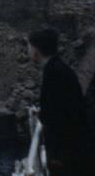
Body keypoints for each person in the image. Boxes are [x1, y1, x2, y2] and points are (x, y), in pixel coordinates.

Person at [28, 28, 88, 176]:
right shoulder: (58, 69)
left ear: (36, 50)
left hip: (65, 152)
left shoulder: (54, 73)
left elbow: (58, 117)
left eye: (28, 46)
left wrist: (57, 154)